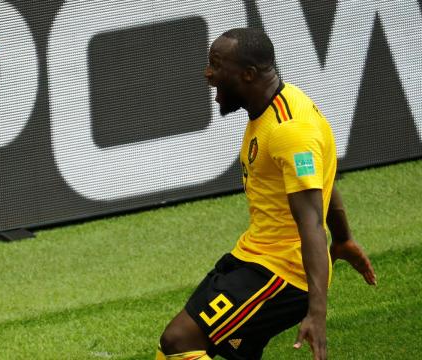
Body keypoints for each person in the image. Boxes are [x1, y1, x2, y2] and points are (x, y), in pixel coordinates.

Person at [156, 28, 376, 360]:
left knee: (179, 342)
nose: (207, 73)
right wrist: (343, 239)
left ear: (248, 74)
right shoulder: (277, 107)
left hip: (283, 272)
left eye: (216, 65)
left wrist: (317, 314)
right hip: (253, 256)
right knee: (175, 349)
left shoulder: (290, 131)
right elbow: (320, 185)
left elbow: (312, 222)